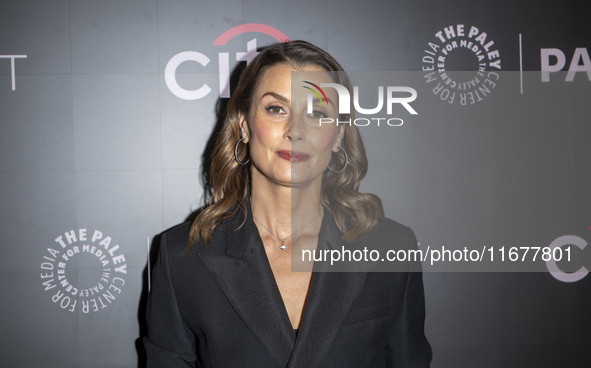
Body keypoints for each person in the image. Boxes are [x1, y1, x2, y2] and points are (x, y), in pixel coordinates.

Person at [143, 40, 432, 367]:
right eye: (276, 108)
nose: (295, 130)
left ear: (338, 136)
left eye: (317, 113)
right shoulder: (182, 255)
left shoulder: (392, 248)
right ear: (244, 124)